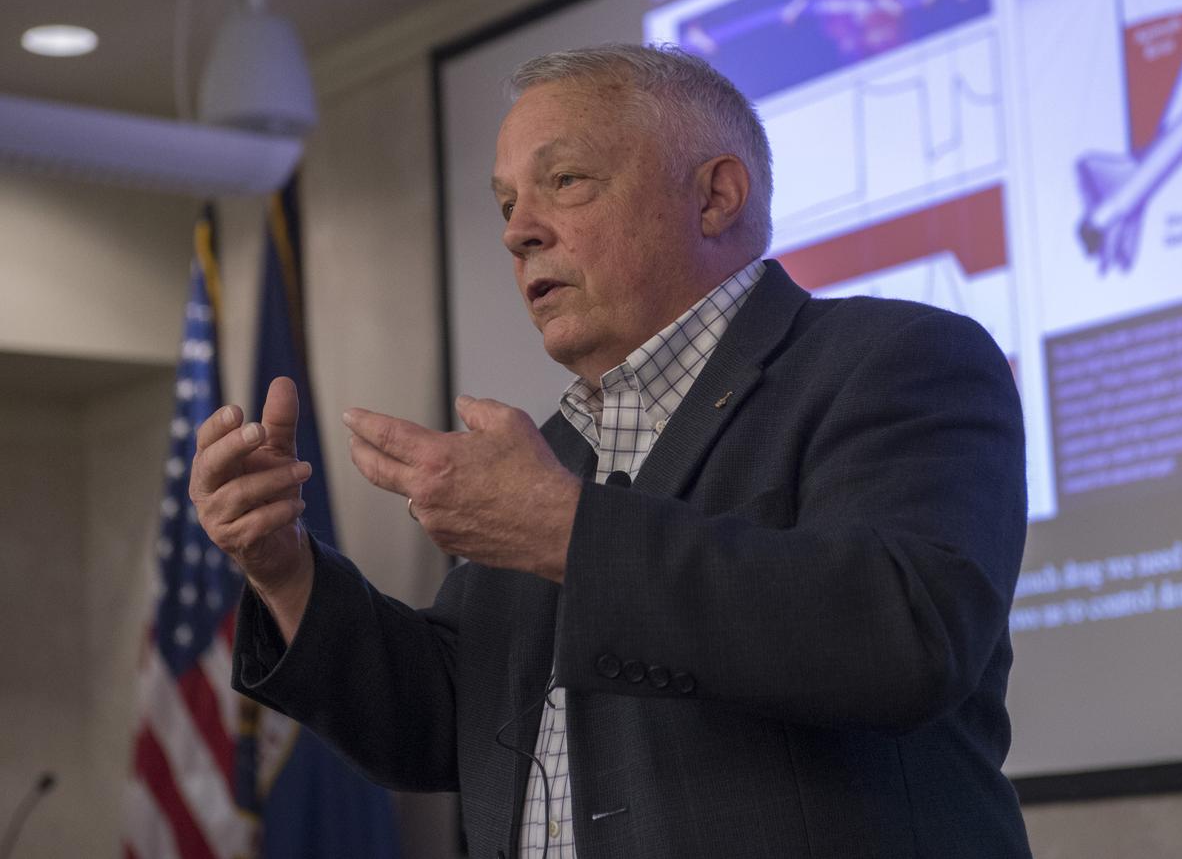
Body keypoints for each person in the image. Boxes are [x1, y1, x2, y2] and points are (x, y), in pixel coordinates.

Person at [190, 44, 1032, 858]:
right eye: (506, 203)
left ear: (715, 197)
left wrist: (563, 529)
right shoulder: (553, 454)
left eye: (565, 182)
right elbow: (447, 723)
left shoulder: (895, 361)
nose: (518, 232)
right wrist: (286, 572)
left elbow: (905, 635)